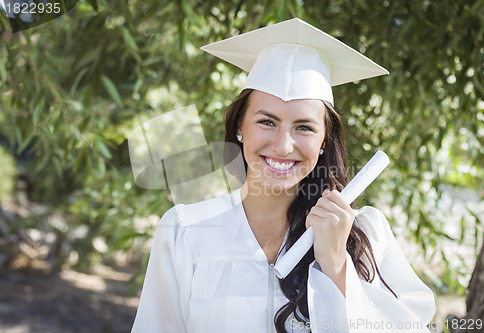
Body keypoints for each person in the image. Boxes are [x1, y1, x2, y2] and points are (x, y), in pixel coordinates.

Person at [131, 18, 435, 333]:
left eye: (303, 127)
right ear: (239, 127)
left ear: (323, 142)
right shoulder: (186, 231)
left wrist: (336, 264)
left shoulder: (364, 234)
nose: (282, 145)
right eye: (266, 122)